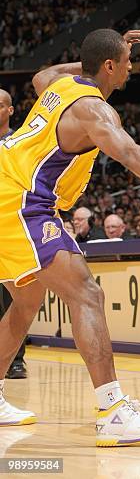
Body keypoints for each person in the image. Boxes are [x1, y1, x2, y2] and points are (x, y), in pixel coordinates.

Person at [0, 28, 140, 446]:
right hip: (20, 200)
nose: (130, 66)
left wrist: (97, 55)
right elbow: (131, 153)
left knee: (26, 300)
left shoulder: (60, 83)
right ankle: (113, 411)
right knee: (87, 293)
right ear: (110, 67)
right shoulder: (94, 111)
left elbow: (40, 76)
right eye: (125, 60)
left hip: (7, 190)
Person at [0, 89, 28, 380]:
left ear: (10, 110)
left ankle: (17, 359)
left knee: (16, 295)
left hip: (13, 221)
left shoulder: (20, 140)